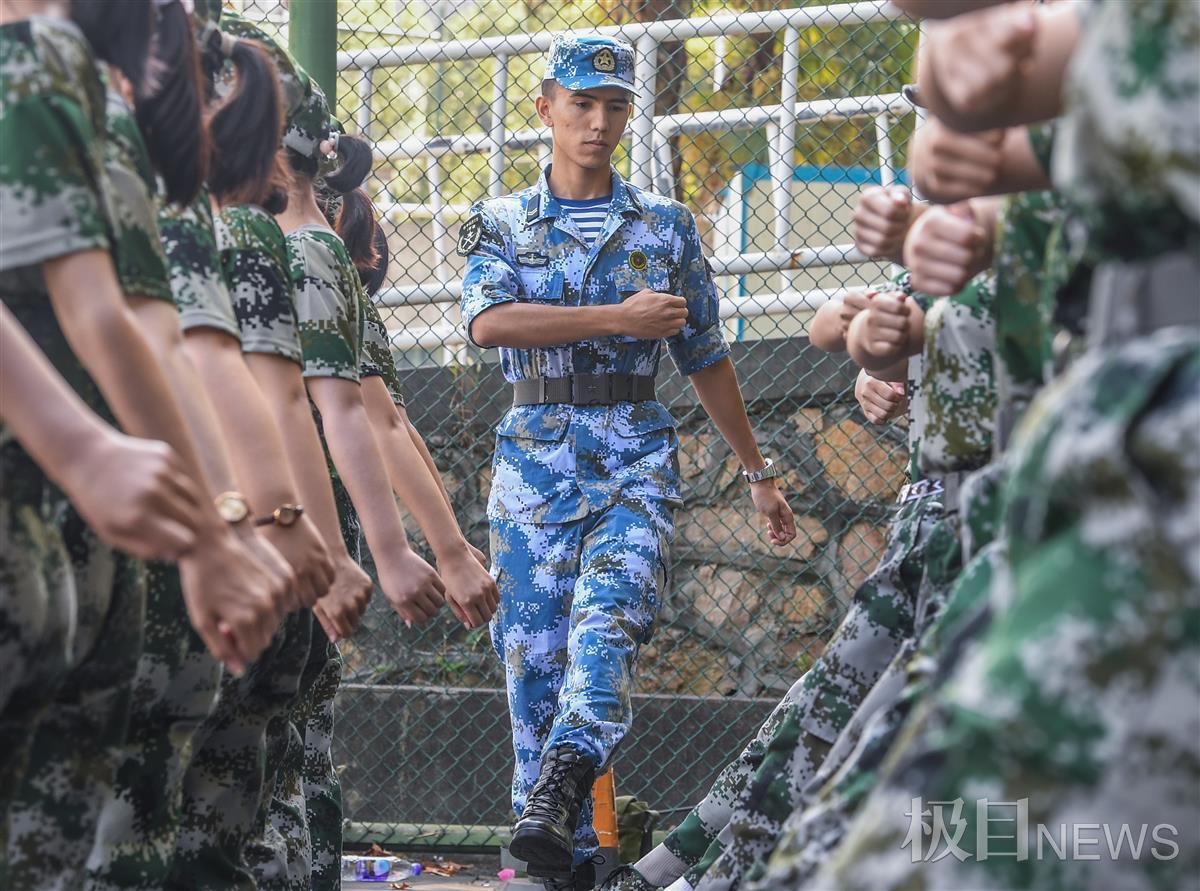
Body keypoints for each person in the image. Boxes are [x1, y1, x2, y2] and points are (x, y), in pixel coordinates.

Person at [459, 33, 795, 891]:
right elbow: (490, 324)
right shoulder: (499, 221)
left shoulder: (667, 227)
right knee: (532, 664)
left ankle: (564, 782)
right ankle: (551, 860)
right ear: (545, 107)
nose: (599, 123)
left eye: (615, 107)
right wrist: (617, 317)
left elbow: (706, 355)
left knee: (607, 628)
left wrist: (756, 473)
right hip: (531, 469)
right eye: (582, 104)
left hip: (632, 459)